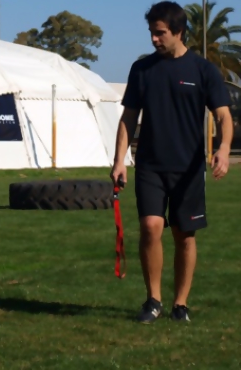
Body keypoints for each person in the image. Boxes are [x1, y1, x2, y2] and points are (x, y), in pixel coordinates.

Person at [111, 1, 233, 323]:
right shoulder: (142, 70)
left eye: (160, 33)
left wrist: (223, 149)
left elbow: (223, 115)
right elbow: (128, 118)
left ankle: (181, 304)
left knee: (184, 234)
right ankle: (153, 300)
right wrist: (120, 160)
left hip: (189, 169)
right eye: (151, 32)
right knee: (151, 227)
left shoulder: (203, 70)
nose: (153, 39)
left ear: (178, 32)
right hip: (150, 165)